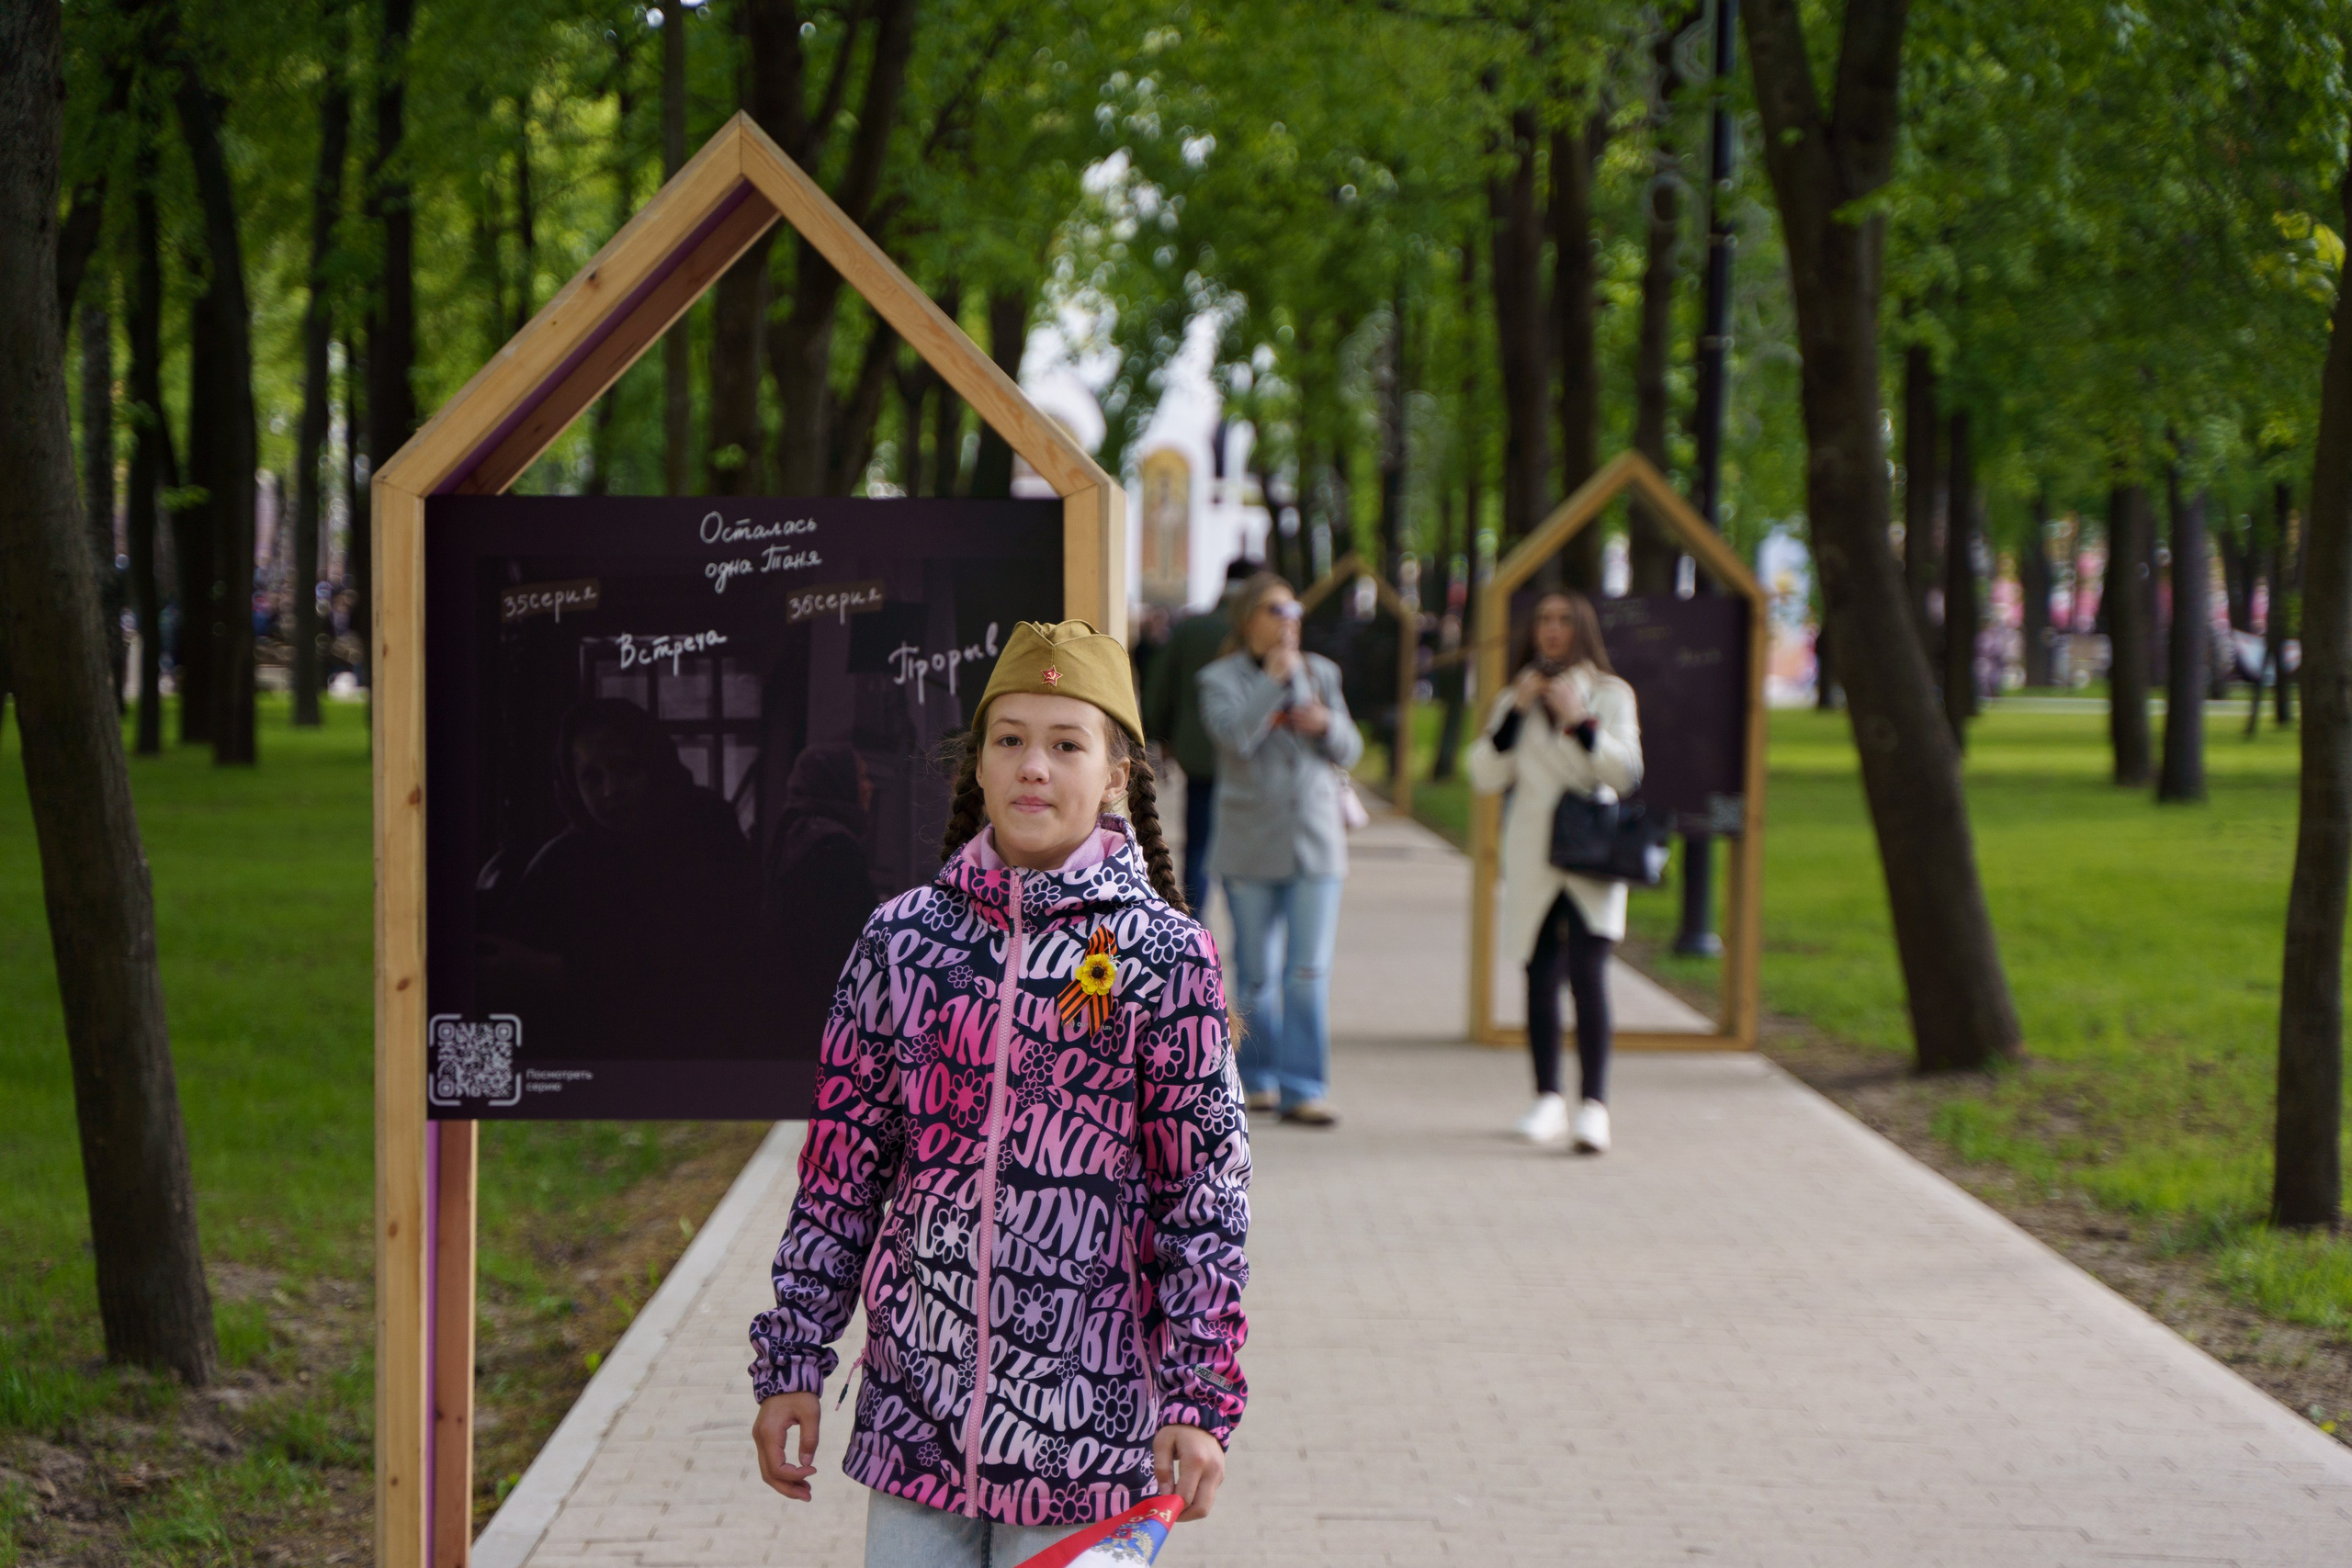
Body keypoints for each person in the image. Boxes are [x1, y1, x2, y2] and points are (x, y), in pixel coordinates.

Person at [748, 620, 1250, 1568]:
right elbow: (839, 1177)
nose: (1032, 767)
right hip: (915, 1428)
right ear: (974, 765)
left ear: (1114, 777)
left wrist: (1197, 1402)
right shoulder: (899, 943)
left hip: (1091, 1436)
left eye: (1066, 745)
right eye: (1009, 740)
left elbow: (1205, 1204)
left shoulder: (1167, 958)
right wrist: (793, 1363)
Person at [486, 697, 762, 1055]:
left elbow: (702, 965)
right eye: (591, 776)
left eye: (626, 768)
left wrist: (549, 972)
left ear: (656, 766)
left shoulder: (707, 831)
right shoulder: (573, 853)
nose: (610, 790)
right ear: (571, 785)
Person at [1468, 589, 1643, 1154]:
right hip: (1533, 849)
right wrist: (1517, 712)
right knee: (1539, 974)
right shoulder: (1514, 696)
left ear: (1582, 629)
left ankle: (1595, 1105)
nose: (1552, 629)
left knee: (1590, 976)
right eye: (1543, 619)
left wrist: (1580, 720)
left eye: (1564, 620)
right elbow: (1485, 775)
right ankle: (1547, 1097)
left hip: (1590, 849)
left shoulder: (1611, 694)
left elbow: (1624, 773)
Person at [1197, 573, 1361, 1128]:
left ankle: (1304, 1087)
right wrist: (1271, 682)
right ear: (1248, 619)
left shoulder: (1324, 673)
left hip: (1316, 844)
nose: (1287, 618)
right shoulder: (1217, 678)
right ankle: (1255, 1079)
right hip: (1249, 844)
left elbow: (1351, 746)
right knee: (1256, 973)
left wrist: (1327, 722)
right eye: (1274, 609)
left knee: (1307, 971)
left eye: (1293, 608)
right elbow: (1233, 738)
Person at [1144, 557, 1259, 914]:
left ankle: (1193, 930)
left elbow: (1158, 691)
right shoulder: (1259, 632)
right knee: (1250, 856)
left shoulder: (1191, 629)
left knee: (1197, 850)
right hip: (1255, 760)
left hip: (1200, 757)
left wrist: (1161, 737)